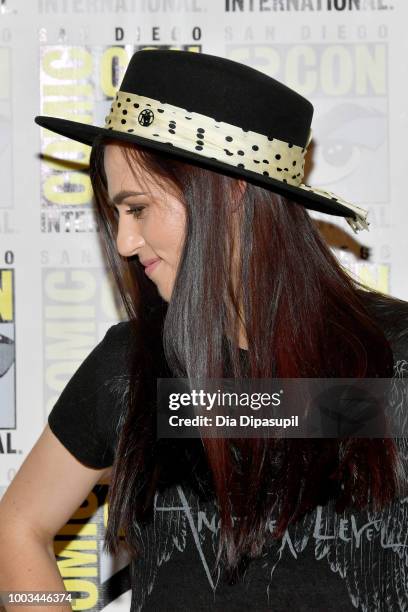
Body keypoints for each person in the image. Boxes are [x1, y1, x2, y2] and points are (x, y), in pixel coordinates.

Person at [0, 49, 407, 612]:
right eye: (116, 215)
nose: (123, 242)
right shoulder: (132, 365)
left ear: (231, 194)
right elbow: (19, 523)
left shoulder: (395, 359)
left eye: (138, 208)